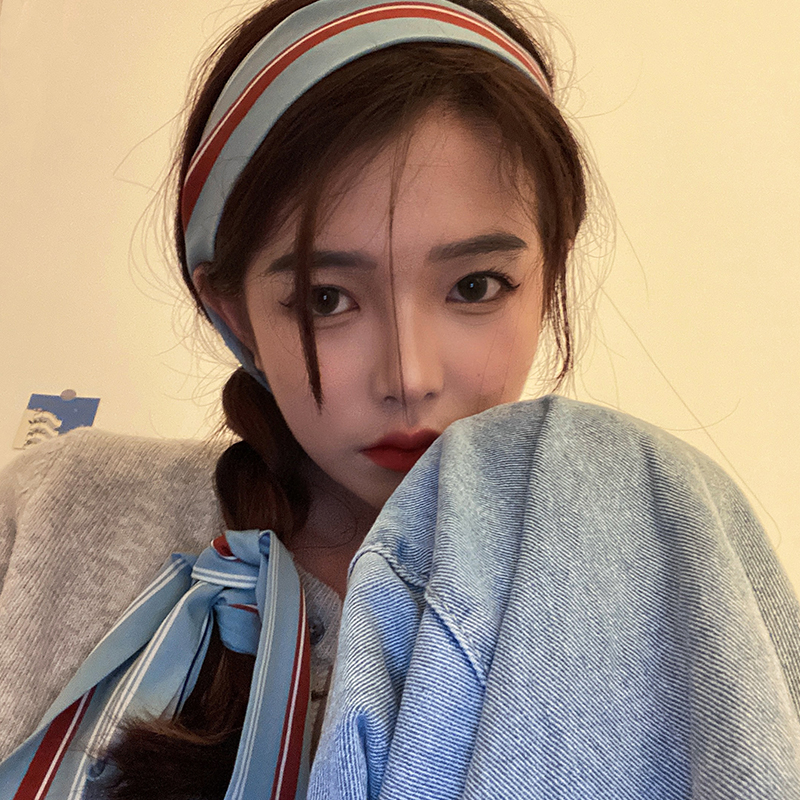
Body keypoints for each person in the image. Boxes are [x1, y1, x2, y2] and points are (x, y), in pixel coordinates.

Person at [1, 0, 799, 798]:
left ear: (549, 275)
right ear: (233, 311)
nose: (410, 375)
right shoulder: (55, 517)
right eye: (326, 299)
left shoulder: (652, 541)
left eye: (475, 286)